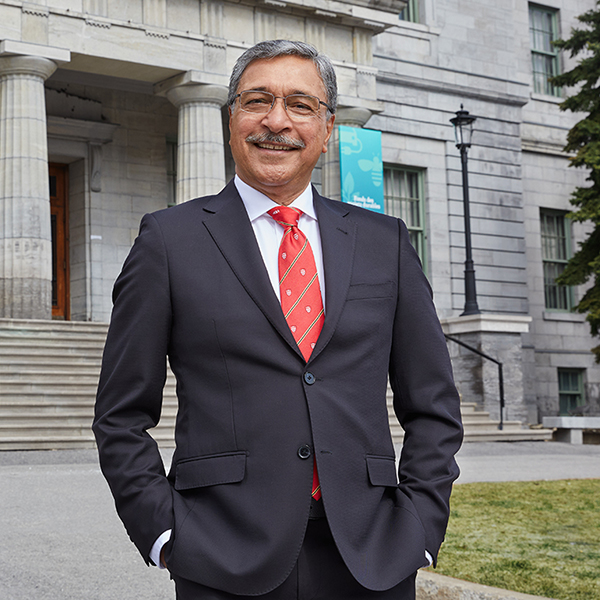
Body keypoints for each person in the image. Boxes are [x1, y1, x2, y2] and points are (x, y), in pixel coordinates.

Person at [93, 39, 463, 600]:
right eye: (257, 100)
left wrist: (420, 527)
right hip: (222, 554)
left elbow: (433, 405)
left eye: (300, 104)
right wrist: (166, 533)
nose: (276, 121)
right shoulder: (168, 241)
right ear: (232, 116)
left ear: (328, 126)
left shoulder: (382, 243)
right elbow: (121, 415)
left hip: (372, 553)